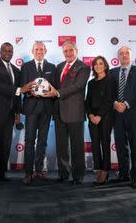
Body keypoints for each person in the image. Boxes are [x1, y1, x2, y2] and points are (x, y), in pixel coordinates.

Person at [0, 42, 34, 185]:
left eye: (10, 51)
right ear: (0, 51)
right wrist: (20, 90)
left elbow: (17, 95)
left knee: (5, 145)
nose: (8, 53)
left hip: (9, 114)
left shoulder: (16, 71)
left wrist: (18, 112)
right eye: (5, 50)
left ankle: (0, 173)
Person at [43, 41, 90, 185]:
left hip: (74, 112)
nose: (68, 53)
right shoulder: (59, 67)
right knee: (61, 146)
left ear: (76, 50)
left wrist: (57, 92)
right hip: (59, 112)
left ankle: (78, 176)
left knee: (77, 147)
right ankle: (63, 174)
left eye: (71, 50)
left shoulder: (83, 67)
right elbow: (54, 86)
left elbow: (78, 86)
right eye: (65, 51)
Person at [110, 46, 136, 189]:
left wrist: (126, 104)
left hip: (134, 114)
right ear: (118, 56)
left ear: (131, 56)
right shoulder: (112, 72)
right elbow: (109, 92)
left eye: (127, 53)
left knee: (135, 146)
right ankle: (123, 174)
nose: (124, 55)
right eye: (121, 53)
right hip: (117, 114)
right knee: (120, 146)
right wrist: (114, 103)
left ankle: (135, 176)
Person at [19, 41, 56, 185]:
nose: (39, 51)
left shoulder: (51, 67)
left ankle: (39, 171)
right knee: (29, 141)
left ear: (45, 51)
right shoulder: (26, 67)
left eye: (41, 49)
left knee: (42, 141)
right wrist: (30, 91)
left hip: (46, 109)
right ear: (32, 51)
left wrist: (50, 93)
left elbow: (54, 88)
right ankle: (28, 173)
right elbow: (22, 87)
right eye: (37, 49)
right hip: (31, 108)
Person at [85, 56, 114, 185]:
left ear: (105, 66)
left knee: (105, 143)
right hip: (93, 117)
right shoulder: (91, 82)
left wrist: (99, 116)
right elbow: (87, 101)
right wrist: (91, 115)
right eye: (95, 64)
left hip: (106, 116)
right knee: (95, 143)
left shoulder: (110, 79)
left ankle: (105, 170)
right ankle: (98, 167)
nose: (98, 66)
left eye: (101, 63)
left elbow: (109, 100)